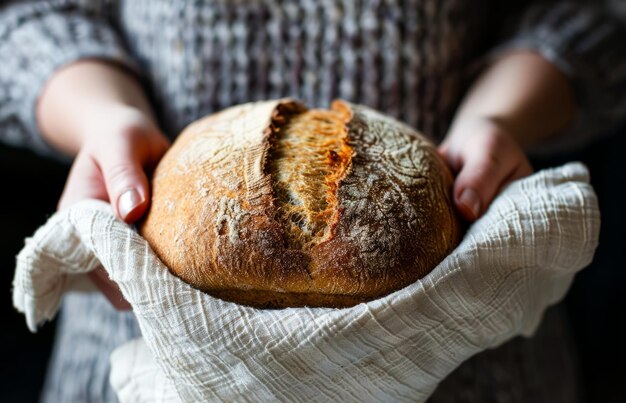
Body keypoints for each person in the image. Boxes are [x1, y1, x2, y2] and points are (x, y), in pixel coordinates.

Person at [1, 1, 624, 401]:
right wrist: (102, 117)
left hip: (474, 372)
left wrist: (500, 115)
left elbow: (591, 15)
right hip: (133, 354)